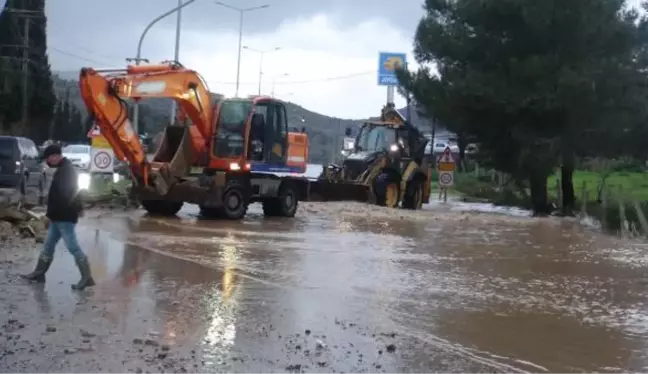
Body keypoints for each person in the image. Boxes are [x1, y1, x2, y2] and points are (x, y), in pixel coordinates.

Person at [22, 144, 95, 290]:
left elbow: (70, 194)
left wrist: (75, 210)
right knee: (48, 246)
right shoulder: (64, 169)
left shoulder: (66, 171)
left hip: (64, 217)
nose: (47, 161)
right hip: (58, 217)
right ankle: (39, 273)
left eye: (49, 158)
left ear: (55, 156)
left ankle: (87, 277)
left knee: (73, 247)